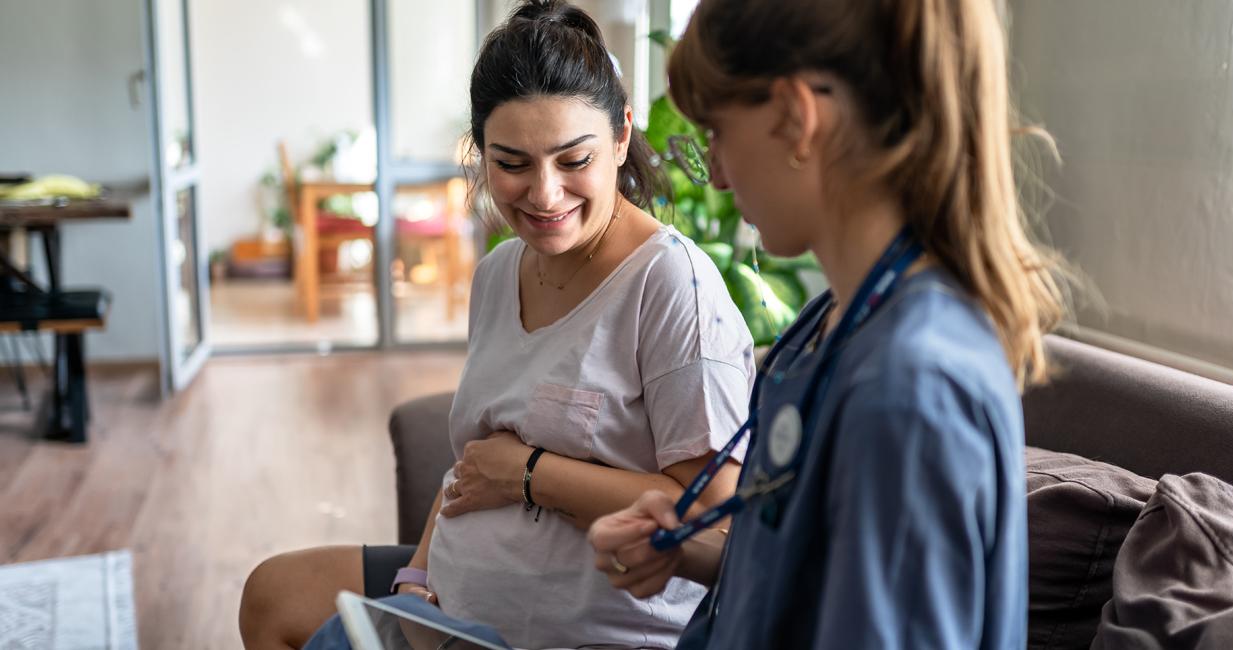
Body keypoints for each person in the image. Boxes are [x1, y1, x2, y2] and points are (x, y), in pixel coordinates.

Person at [238, 2, 753, 648]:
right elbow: (471, 463)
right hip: (448, 607)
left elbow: (715, 522)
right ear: (480, 152)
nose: (543, 194)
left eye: (573, 161)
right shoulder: (499, 271)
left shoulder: (672, 286)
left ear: (622, 136)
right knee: (272, 594)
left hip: (586, 634)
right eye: (511, 164)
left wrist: (531, 472)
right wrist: (416, 583)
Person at [587, 0, 1065, 647]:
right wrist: (691, 551)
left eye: (718, 133)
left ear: (794, 117)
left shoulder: (909, 388)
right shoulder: (833, 323)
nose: (719, 175)